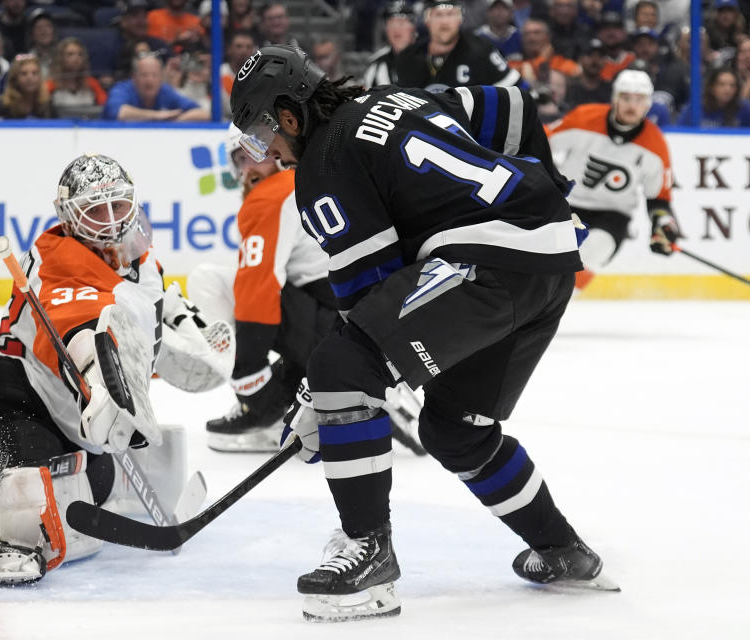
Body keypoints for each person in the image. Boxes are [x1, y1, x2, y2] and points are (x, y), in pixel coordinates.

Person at [230, 44, 616, 622]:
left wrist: (325, 399)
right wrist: (546, 191)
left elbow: (369, 300)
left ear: (288, 114)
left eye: (264, 135)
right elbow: (515, 107)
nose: (271, 152)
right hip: (551, 256)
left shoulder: (323, 167)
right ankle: (563, 550)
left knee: (341, 366)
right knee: (456, 430)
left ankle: (369, 554)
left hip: (488, 264)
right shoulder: (400, 97)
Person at [0, 153, 231, 583]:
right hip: (8, 394)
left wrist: (188, 328)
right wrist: (99, 385)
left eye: (119, 205)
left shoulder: (137, 255)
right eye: (96, 209)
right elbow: (79, 331)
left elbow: (153, 300)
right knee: (30, 493)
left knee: (97, 480)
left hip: (61, 409)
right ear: (71, 216)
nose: (111, 220)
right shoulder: (61, 260)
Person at [188, 124, 334, 452]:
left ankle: (270, 410)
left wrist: (250, 381)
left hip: (331, 331)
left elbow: (259, 286)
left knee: (207, 280)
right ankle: (301, 388)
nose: (249, 169)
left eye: (256, 153)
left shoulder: (274, 194)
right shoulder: (317, 174)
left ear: (279, 151)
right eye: (241, 159)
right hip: (364, 319)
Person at [548, 69, 678, 293]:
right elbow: (543, 141)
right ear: (615, 98)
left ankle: (550, 312)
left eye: (639, 100)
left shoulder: (655, 145)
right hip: (568, 205)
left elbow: (658, 198)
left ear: (647, 104)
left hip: (613, 215)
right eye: (626, 98)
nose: (632, 106)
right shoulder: (583, 118)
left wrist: (663, 224)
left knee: (594, 252)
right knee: (546, 256)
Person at [395, 0, 521, 92]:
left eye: (450, 14)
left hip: (469, 126)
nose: (444, 22)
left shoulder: (481, 49)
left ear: (460, 19)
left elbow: (517, 87)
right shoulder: (408, 57)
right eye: (438, 15)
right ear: (427, 20)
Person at [104, 51, 208, 121]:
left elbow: (202, 113)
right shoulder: (122, 89)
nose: (150, 80)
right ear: (134, 77)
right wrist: (158, 115)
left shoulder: (165, 91)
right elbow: (118, 112)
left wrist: (175, 121)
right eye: (144, 75)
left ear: (161, 77)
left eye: (155, 75)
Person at [676, 67, 750, 127]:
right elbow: (680, 134)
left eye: (732, 85)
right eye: (721, 84)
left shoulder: (744, 108)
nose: (727, 89)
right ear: (712, 87)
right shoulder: (694, 108)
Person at [0, 53, 51, 119]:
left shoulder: (47, 105)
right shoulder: (3, 106)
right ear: (14, 79)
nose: (30, 78)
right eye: (24, 73)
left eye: (34, 73)